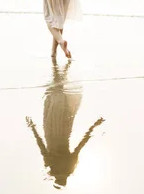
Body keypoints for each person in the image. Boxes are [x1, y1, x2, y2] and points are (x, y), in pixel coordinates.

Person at [25, 58, 105, 189]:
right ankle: (60, 67)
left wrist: (94, 126)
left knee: (59, 96)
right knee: (56, 95)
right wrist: (32, 128)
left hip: (63, 130)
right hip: (51, 130)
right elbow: (41, 145)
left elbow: (82, 144)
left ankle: (60, 67)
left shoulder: (68, 166)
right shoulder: (52, 165)